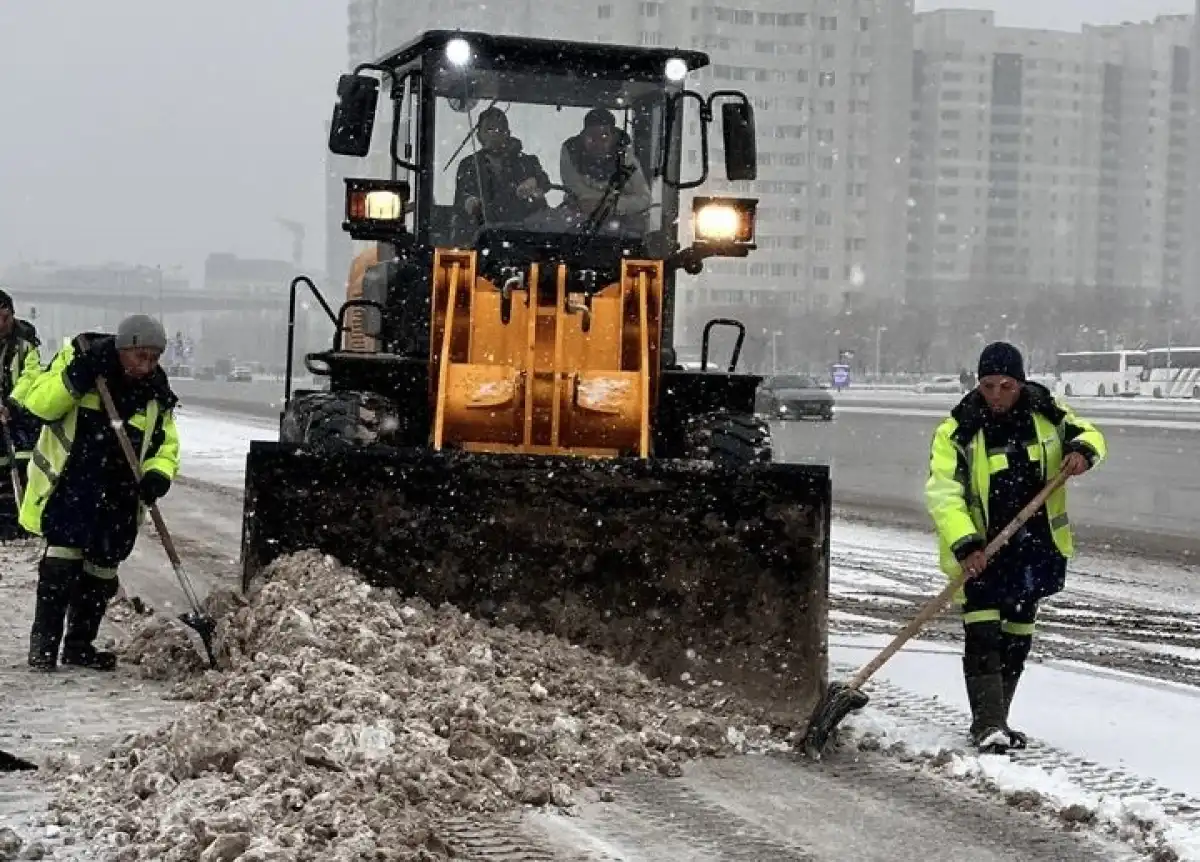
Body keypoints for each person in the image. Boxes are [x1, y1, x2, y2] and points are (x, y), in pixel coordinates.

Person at [925, 342, 1105, 754]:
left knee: (1017, 639)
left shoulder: (1048, 414)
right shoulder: (958, 430)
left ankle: (999, 719)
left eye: (1005, 386)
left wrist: (1082, 452)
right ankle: (987, 725)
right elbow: (944, 494)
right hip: (982, 553)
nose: (996, 395)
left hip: (1034, 549)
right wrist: (966, 542)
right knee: (984, 635)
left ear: (1019, 383)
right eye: (988, 385)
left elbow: (1090, 434)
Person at [15, 314, 180, 672]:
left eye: (154, 358)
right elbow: (39, 405)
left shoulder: (155, 392)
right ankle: (43, 646)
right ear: (123, 350)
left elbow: (165, 445)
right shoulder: (83, 361)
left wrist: (157, 476)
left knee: (101, 574)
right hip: (73, 485)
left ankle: (79, 646)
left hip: (120, 493)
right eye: (141, 356)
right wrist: (76, 378)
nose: (147, 365)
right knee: (60, 567)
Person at [454, 107, 552, 228]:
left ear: (508, 133)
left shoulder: (527, 162)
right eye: (489, 129)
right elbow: (461, 197)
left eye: (500, 129)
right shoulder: (468, 165)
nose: (495, 134)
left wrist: (534, 182)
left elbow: (545, 181)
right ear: (479, 136)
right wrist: (470, 202)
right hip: (481, 235)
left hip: (525, 233)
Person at [559, 108, 653, 228]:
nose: (598, 143)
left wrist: (612, 206)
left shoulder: (626, 158)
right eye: (592, 137)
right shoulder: (571, 153)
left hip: (622, 230)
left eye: (604, 136)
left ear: (613, 137)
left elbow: (645, 199)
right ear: (582, 137)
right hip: (579, 226)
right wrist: (587, 204)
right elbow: (575, 189)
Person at [0, 290, 44, 540]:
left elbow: (31, 376)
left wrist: (12, 404)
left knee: (25, 464)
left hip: (23, 417)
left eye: (5, 317)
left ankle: (24, 521)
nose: (1, 324)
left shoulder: (25, 344)